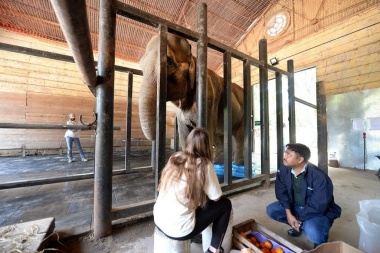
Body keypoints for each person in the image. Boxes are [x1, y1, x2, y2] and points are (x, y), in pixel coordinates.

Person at [153, 128, 232, 253]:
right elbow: (216, 197)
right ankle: (214, 249)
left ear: (188, 142)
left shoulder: (176, 157)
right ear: (207, 146)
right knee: (225, 204)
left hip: (158, 219)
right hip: (179, 230)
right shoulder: (204, 164)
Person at [266, 143, 341, 248]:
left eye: (289, 155)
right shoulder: (283, 170)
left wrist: (298, 218)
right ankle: (297, 226)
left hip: (315, 211)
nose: (284, 157)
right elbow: (281, 193)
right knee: (271, 210)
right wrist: (288, 213)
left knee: (314, 231)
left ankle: (320, 245)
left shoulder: (319, 176)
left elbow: (319, 205)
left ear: (300, 160)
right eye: (285, 153)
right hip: (295, 206)